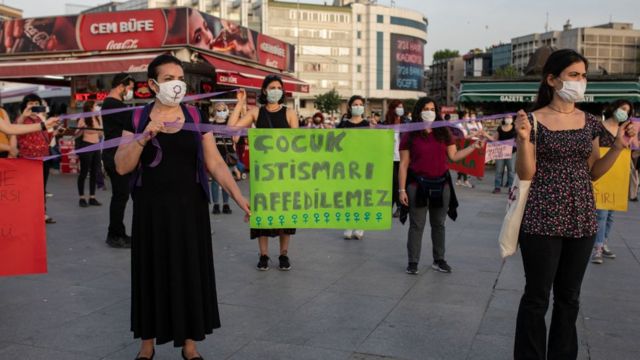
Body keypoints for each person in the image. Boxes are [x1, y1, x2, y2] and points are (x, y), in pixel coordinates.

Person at [115, 54, 250, 360]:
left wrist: (238, 197)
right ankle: (146, 345)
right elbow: (121, 166)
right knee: (150, 272)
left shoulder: (193, 116)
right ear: (152, 85)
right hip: (151, 211)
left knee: (190, 272)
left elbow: (214, 162)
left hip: (191, 211)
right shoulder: (136, 118)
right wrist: (145, 136)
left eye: (180, 79)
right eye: (168, 79)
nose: (176, 84)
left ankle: (190, 345)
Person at [513, 49, 636, 359]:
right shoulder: (533, 120)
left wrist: (619, 147)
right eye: (574, 75)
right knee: (537, 296)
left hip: (581, 217)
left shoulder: (590, 121)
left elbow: (594, 171)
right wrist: (524, 140)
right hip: (542, 216)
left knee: (569, 297)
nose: (581, 81)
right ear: (552, 80)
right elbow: (526, 173)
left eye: (583, 75)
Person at [399, 97, 483, 275]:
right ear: (418, 111)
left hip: (441, 184)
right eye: (425, 108)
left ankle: (439, 260)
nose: (429, 111)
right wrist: (401, 189)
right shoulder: (409, 134)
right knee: (416, 225)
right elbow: (404, 164)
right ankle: (413, 262)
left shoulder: (443, 132)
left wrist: (474, 147)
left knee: (439, 224)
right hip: (417, 185)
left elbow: (454, 156)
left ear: (437, 112)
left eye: (432, 108)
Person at [228, 75, 299, 271]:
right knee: (262, 214)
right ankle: (264, 255)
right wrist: (240, 103)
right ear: (265, 91)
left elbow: (298, 143)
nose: (276, 90)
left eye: (279, 87)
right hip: (263, 174)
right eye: (272, 87)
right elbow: (231, 128)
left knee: (286, 214)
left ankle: (284, 254)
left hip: (286, 173)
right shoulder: (255, 112)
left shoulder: (290, 113)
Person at [589, 100, 634, 264]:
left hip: (617, 176)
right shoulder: (599, 127)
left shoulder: (625, 131)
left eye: (627, 111)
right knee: (601, 213)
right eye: (622, 109)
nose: (624, 112)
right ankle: (597, 247)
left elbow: (630, 148)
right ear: (614, 109)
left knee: (610, 215)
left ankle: (603, 242)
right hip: (602, 174)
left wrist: (631, 137)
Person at [16, 94, 64, 224]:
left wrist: (56, 132)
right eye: (31, 103)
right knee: (29, 188)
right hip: (28, 159)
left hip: (43, 158)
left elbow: (46, 138)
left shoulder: (40, 119)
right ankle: (27, 213)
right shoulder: (22, 119)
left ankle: (42, 213)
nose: (34, 106)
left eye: (36, 104)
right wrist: (24, 114)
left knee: (41, 188)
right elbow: (15, 128)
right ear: (25, 105)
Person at [102, 72, 135, 248]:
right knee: (120, 195)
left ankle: (119, 232)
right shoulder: (112, 104)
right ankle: (114, 235)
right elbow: (133, 121)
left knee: (122, 195)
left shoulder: (114, 104)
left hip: (117, 153)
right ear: (121, 86)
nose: (130, 92)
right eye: (129, 88)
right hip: (114, 156)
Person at [337, 95, 371, 240]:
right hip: (346, 165)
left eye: (360, 104)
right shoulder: (343, 125)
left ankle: (360, 225)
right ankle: (349, 224)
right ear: (350, 107)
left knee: (361, 196)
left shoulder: (367, 125)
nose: (358, 106)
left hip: (363, 165)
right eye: (355, 104)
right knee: (348, 196)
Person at [209, 101, 240, 214]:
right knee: (215, 181)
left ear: (227, 111)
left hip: (228, 156)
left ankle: (226, 204)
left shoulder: (230, 123)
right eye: (219, 110)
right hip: (215, 156)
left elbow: (235, 142)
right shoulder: (210, 125)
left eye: (223, 110)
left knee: (227, 180)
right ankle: (216, 204)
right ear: (214, 111)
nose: (221, 112)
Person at [75, 101, 103, 207]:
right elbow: (77, 133)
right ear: (90, 107)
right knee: (84, 172)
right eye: (95, 105)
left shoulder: (96, 117)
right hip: (86, 146)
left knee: (94, 172)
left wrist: (99, 120)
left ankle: (92, 197)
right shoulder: (83, 118)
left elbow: (100, 133)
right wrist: (82, 128)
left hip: (96, 147)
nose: (97, 107)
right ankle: (81, 198)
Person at [384, 100, 406, 217]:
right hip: (389, 158)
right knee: (392, 183)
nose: (400, 109)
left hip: (402, 158)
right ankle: (391, 206)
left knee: (398, 183)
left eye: (402, 107)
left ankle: (399, 206)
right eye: (398, 107)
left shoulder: (406, 123)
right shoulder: (386, 123)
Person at [491, 115, 517, 194]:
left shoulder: (515, 128)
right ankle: (497, 187)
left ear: (512, 119)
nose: (508, 119)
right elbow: (494, 139)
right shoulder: (499, 128)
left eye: (510, 117)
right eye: (507, 117)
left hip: (512, 153)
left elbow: (519, 139)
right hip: (500, 152)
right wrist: (485, 135)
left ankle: (511, 188)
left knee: (511, 171)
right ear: (504, 119)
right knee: (499, 170)